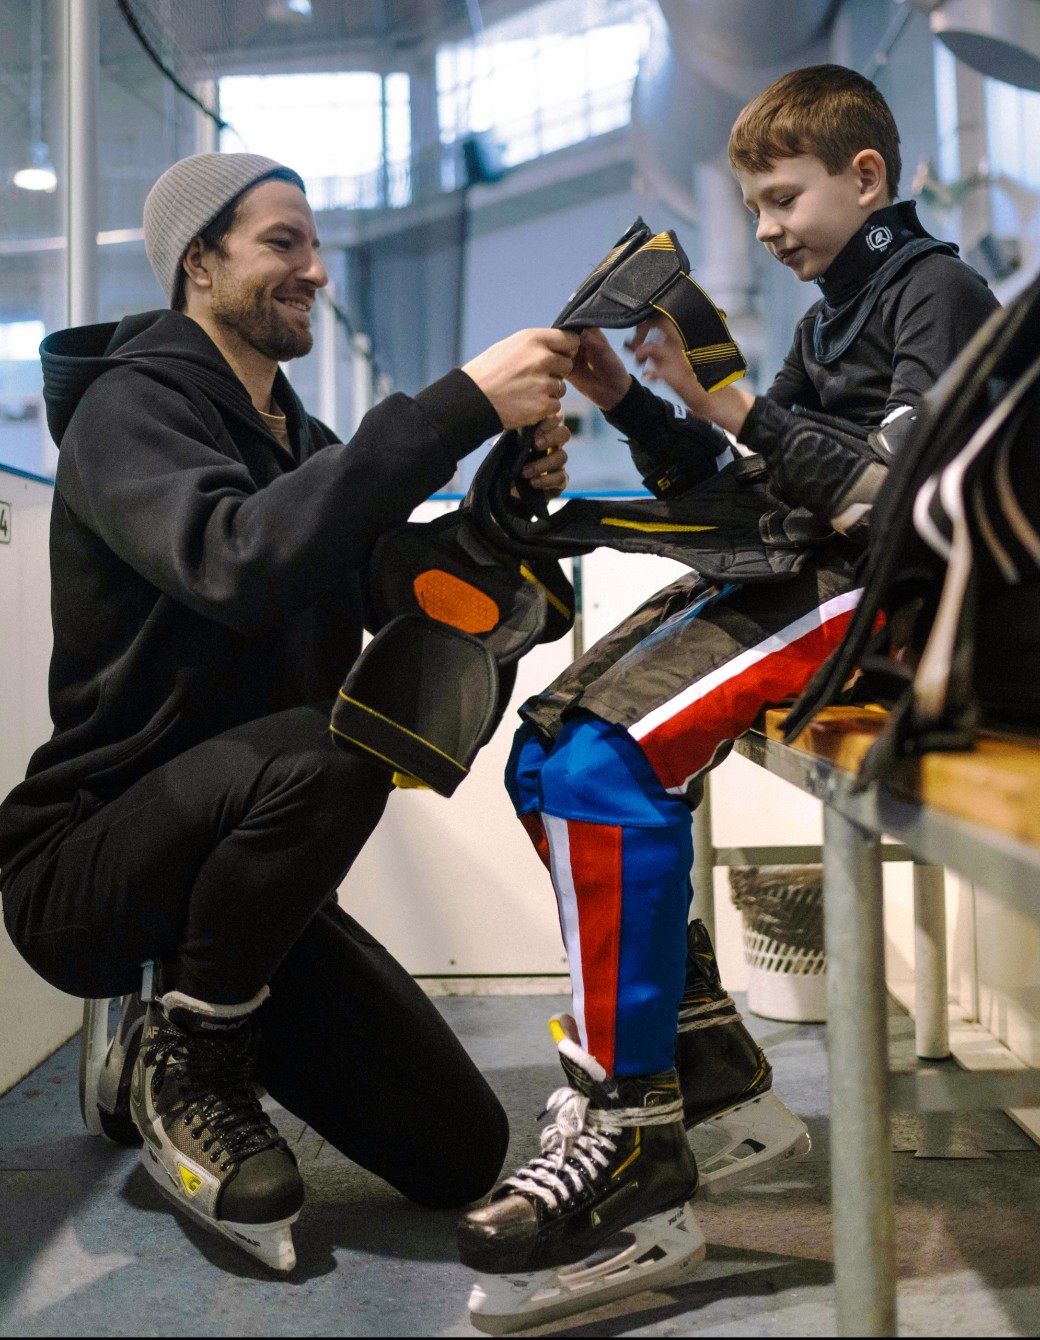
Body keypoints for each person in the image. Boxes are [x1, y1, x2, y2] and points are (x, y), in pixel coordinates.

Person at [457, 64, 1000, 1333]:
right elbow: (750, 488)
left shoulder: (938, 291)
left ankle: (629, 1132)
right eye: (752, 205)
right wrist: (624, 399)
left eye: (779, 200)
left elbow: (898, 502)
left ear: (863, 177)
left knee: (600, 766)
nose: (761, 230)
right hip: (812, 579)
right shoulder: (830, 318)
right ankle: (697, 1057)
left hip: (892, 604)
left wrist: (736, 400)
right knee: (544, 754)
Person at [0, 151, 580, 1273]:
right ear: (198, 261)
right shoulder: (128, 411)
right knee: (334, 749)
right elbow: (237, 562)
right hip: (90, 861)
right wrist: (455, 404)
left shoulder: (300, 446)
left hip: (241, 875)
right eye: (281, 242)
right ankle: (191, 1057)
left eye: (314, 246)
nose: (313, 269)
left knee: (457, 1151)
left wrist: (503, 499)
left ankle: (186, 1015)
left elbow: (394, 582)